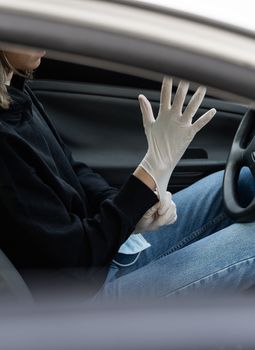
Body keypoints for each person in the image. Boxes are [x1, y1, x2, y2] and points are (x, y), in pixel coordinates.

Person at [0, 48, 255, 303]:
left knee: (242, 181)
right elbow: (76, 263)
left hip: (99, 252)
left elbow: (71, 169)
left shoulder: (14, 90)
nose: (43, 39)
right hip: (81, 300)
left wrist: (133, 212)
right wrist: (152, 167)